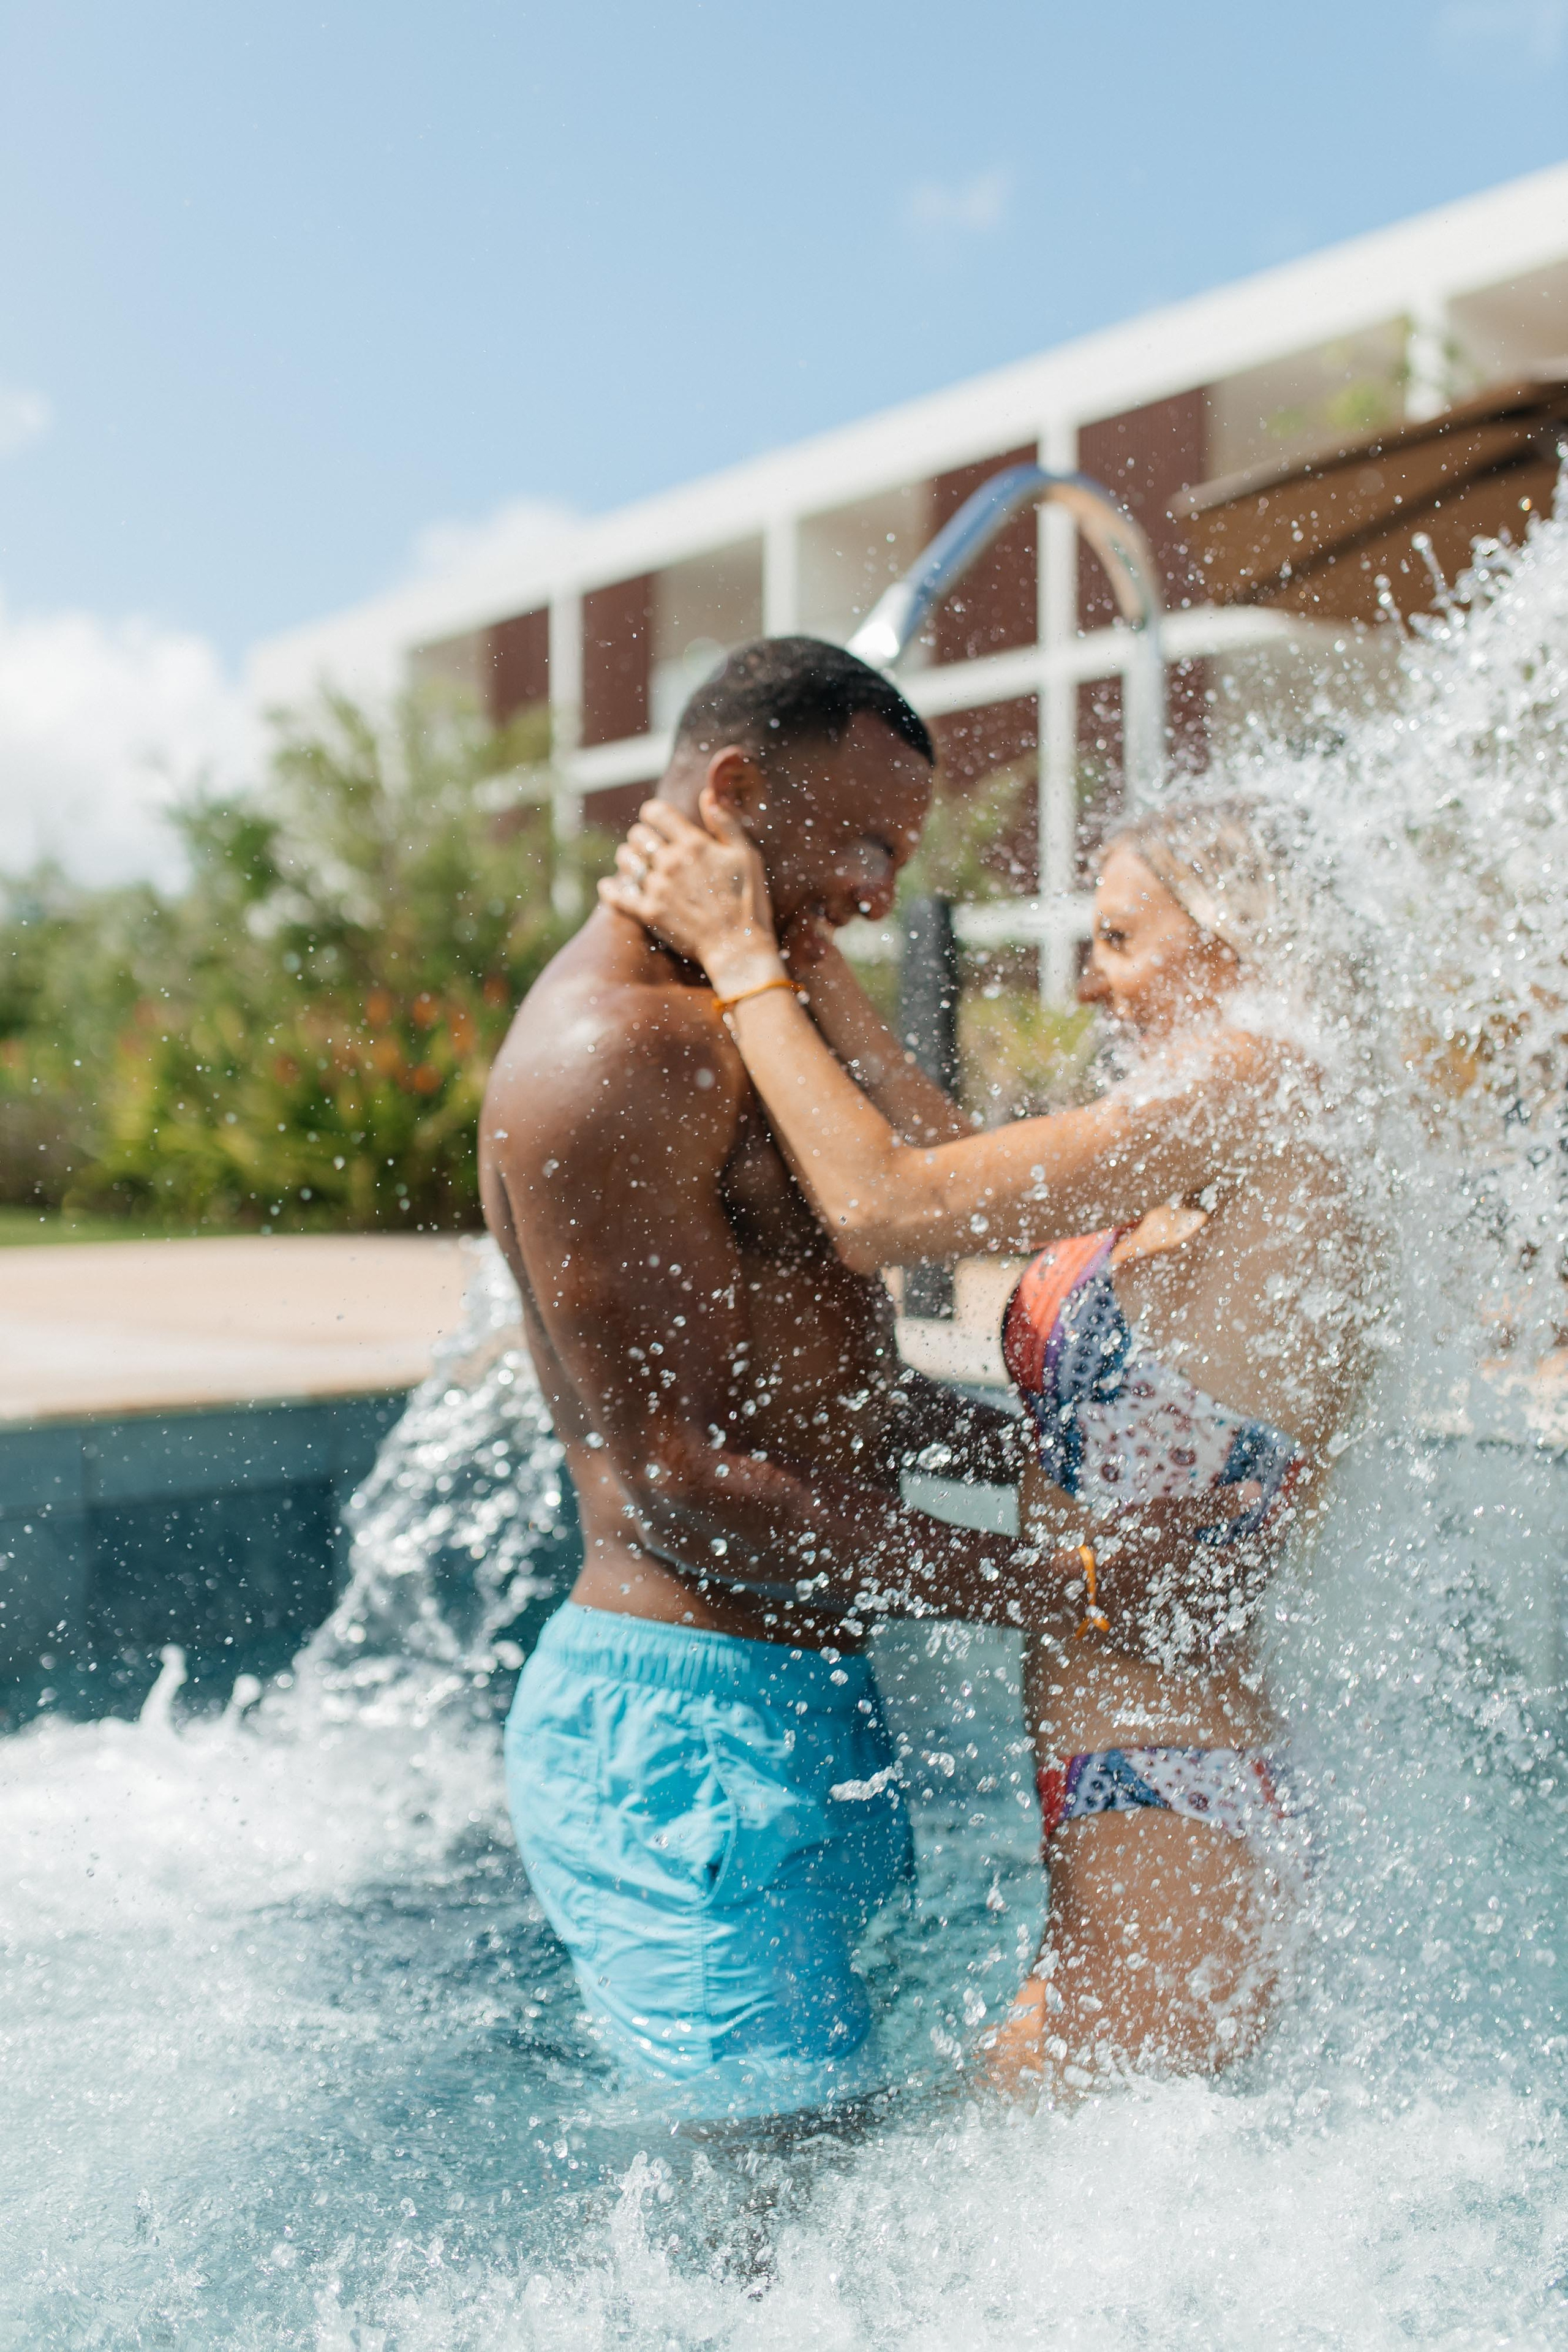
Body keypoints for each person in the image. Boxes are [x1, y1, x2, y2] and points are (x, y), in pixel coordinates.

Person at [480, 638, 1234, 2119]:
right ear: (734, 790)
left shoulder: (736, 1027)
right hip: (681, 1729)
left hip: (795, 1706)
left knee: (820, 2176)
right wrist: (1064, 1580)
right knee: (763, 2208)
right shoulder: (613, 1052)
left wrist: (1077, 1424)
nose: (886, 891)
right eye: (866, 841)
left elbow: (831, 1399)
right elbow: (681, 1481)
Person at [602, 782, 1375, 2099]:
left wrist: (741, 963)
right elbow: (974, 1176)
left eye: (1121, 941)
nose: (1086, 985)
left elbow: (879, 1208)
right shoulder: (1221, 1139)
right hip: (1142, 1770)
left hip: (1167, 1781)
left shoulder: (1262, 1084)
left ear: (1231, 946)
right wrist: (824, 992)